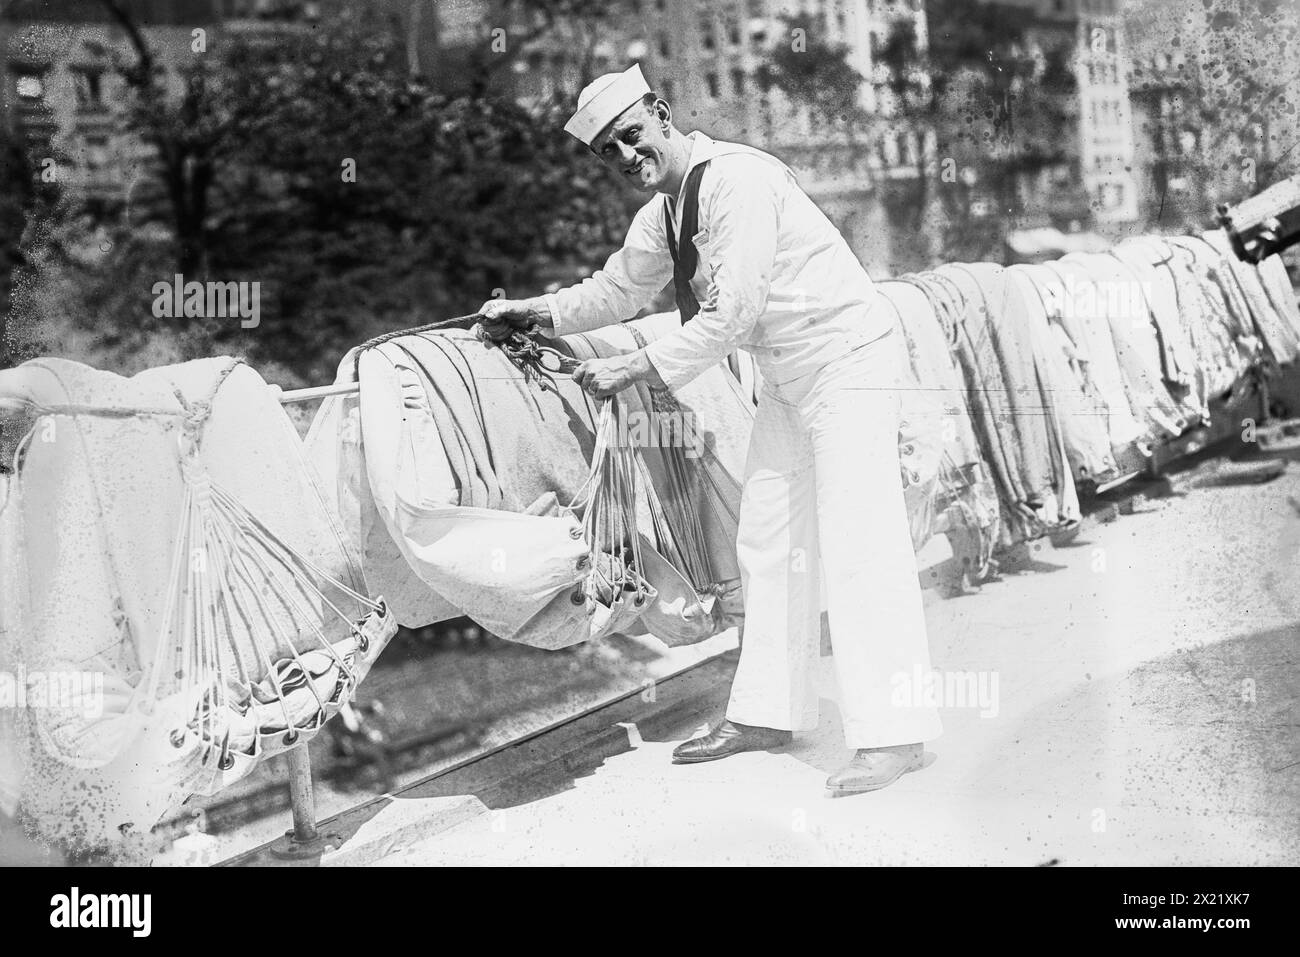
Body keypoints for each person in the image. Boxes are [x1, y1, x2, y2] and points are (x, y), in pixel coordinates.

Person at [479, 64, 941, 794]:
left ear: (660, 114)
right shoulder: (668, 208)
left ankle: (896, 732)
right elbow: (619, 288)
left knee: (859, 543)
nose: (628, 157)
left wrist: (632, 369)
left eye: (632, 137)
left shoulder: (735, 180)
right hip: (789, 375)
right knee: (766, 536)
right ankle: (769, 711)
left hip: (847, 359)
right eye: (610, 152)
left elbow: (734, 315)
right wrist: (532, 312)